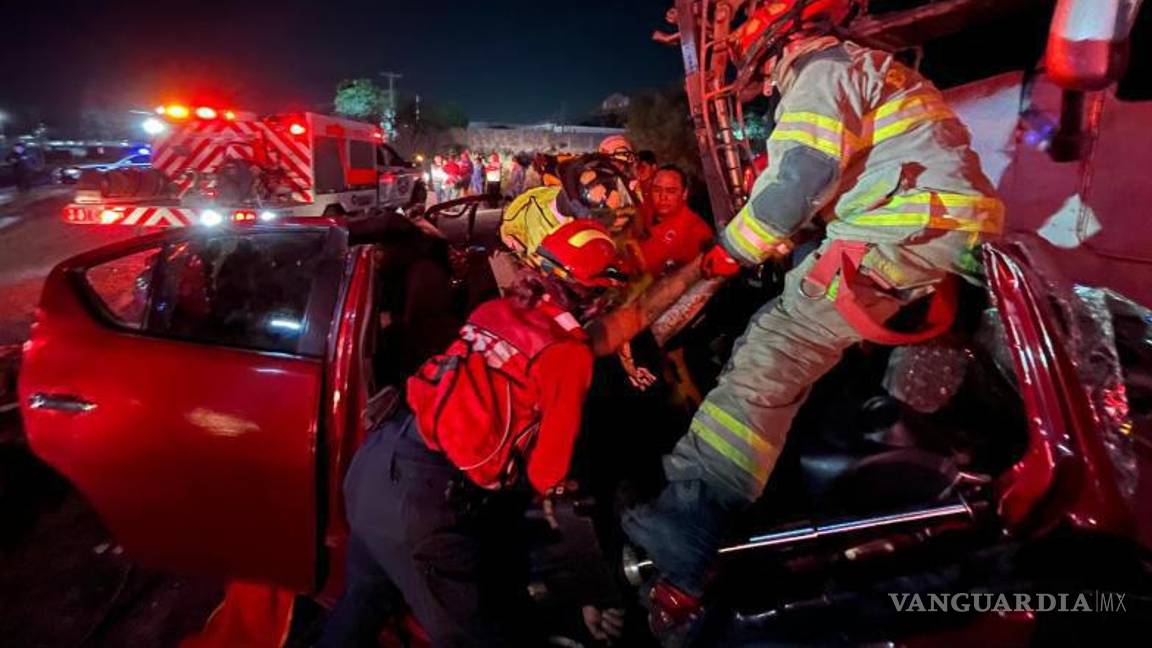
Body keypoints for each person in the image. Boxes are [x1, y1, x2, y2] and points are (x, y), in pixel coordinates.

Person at [621, 0, 1005, 641]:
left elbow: (799, 179)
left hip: (898, 235)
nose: (741, 47)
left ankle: (688, 517)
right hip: (934, 232)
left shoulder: (820, 70)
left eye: (741, 26)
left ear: (770, 25)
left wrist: (731, 251)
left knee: (774, 348)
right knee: (805, 306)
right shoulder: (862, 67)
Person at [320, 219, 627, 647]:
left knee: (362, 606)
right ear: (589, 293)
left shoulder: (491, 311)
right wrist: (590, 583)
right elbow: (547, 473)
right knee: (477, 635)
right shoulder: (566, 356)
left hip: (377, 465)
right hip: (423, 504)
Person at [630, 165, 713, 277]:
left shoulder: (695, 231)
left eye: (671, 191)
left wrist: (629, 238)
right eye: (657, 190)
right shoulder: (648, 207)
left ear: (684, 194)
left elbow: (643, 267)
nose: (663, 197)